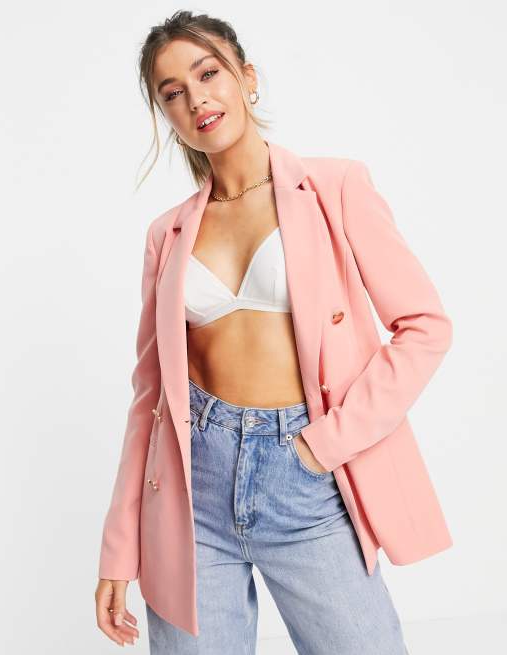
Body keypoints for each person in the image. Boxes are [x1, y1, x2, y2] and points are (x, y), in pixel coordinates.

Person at [95, 10, 453, 654]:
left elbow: (424, 327)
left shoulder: (335, 187)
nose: (196, 99)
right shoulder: (166, 234)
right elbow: (149, 399)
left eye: (208, 74)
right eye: (172, 92)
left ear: (247, 77)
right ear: (164, 113)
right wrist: (119, 548)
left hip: (306, 477)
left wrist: (324, 445)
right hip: (193, 490)